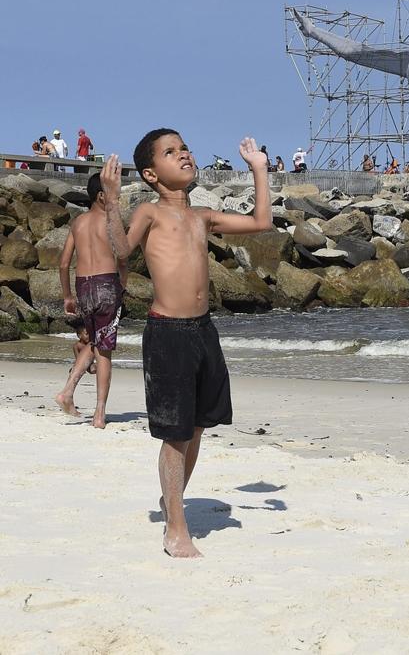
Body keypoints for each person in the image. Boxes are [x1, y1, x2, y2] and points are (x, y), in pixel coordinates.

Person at [101, 130, 272, 558]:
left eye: (184, 148)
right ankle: (176, 527)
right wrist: (111, 201)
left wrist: (259, 170)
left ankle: (172, 501)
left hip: (203, 331)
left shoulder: (202, 217)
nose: (184, 155)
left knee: (196, 428)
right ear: (150, 174)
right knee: (175, 434)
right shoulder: (150, 212)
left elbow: (261, 222)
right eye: (170, 152)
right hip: (168, 333)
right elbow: (121, 250)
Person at [56, 172, 127, 429]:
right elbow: (123, 257)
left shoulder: (78, 222)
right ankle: (99, 413)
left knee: (93, 340)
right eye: (114, 193)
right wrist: (123, 284)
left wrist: (67, 296)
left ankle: (67, 391)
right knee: (104, 350)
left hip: (82, 285)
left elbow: (64, 264)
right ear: (101, 196)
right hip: (106, 283)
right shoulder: (110, 221)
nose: (117, 198)